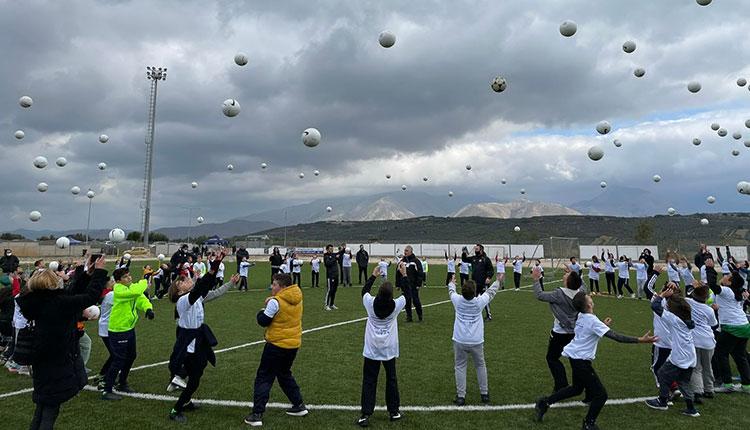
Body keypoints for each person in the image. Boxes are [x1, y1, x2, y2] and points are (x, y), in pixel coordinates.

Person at [535, 292, 657, 430]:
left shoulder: (582, 316)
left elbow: (589, 331)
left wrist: (602, 325)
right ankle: (588, 423)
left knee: (576, 389)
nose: (591, 298)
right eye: (589, 298)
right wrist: (641, 340)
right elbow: (616, 337)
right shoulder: (592, 321)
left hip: (575, 357)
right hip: (580, 361)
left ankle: (544, 402)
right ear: (589, 304)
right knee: (601, 395)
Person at [17, 256, 108, 430]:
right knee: (50, 410)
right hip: (57, 360)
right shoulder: (57, 303)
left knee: (43, 407)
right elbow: (89, 297)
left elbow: (73, 294)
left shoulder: (38, 301)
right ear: (51, 285)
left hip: (42, 360)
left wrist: (87, 274)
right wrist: (100, 272)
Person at [167, 253, 240, 423]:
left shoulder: (195, 296)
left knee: (198, 371)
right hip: (190, 342)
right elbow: (202, 286)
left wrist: (217, 266)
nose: (187, 280)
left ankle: (181, 387)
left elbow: (208, 288)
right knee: (195, 378)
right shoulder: (184, 300)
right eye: (183, 280)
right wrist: (214, 264)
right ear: (179, 289)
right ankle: (176, 407)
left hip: (198, 339)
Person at [244, 273, 308, 426]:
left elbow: (263, 321)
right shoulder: (297, 296)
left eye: (274, 285)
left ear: (282, 286)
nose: (272, 287)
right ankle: (298, 405)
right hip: (293, 344)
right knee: (284, 374)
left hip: (277, 345)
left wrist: (262, 309)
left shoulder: (276, 302)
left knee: (264, 377)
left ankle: (257, 414)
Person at [357, 266, 405, 427]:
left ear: (378, 293)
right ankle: (394, 411)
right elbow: (408, 294)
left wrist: (373, 276)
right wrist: (404, 275)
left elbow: (364, 291)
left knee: (369, 381)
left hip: (372, 349)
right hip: (389, 349)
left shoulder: (370, 303)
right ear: (392, 295)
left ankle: (365, 414)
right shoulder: (396, 305)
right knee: (391, 379)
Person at [101, 266, 155, 400]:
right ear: (119, 280)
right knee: (119, 359)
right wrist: (144, 280)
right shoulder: (118, 289)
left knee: (131, 356)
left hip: (129, 328)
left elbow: (141, 299)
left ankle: (122, 382)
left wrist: (148, 308)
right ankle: (107, 390)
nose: (129, 278)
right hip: (118, 330)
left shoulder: (131, 288)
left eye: (129, 275)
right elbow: (136, 292)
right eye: (125, 277)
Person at [645, 284, 699, 417]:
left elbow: (655, 307)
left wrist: (662, 295)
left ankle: (662, 401)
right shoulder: (687, 320)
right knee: (683, 382)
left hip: (679, 356)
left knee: (662, 374)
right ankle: (691, 409)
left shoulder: (675, 320)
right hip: (690, 356)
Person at [448, 274, 500, 406]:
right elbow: (491, 292)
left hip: (460, 339)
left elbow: (451, 291)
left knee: (460, 366)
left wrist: (452, 282)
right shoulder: (479, 302)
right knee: (480, 365)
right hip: (476, 341)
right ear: (475, 292)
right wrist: (498, 281)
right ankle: (484, 394)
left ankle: (461, 396)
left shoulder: (457, 300)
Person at [533, 266, 584, 394]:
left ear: (567, 282)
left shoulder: (559, 294)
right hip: (575, 332)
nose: (565, 275)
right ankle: (583, 386)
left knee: (552, 358)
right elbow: (582, 284)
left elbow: (539, 295)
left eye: (567, 276)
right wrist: (574, 274)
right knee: (576, 360)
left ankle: (561, 385)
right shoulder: (581, 293)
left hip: (560, 333)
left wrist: (536, 279)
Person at [705, 261, 750, 393]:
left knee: (720, 354)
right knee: (740, 355)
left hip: (732, 327)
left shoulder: (727, 291)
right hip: (744, 326)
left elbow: (712, 285)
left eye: (728, 275)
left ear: (730, 282)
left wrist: (709, 269)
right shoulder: (738, 291)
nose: (725, 275)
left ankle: (727, 383)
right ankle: (747, 385)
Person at [686, 283, 718, 403]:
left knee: (696, 367)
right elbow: (714, 325)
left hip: (694, 340)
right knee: (707, 366)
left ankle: (697, 391)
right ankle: (709, 389)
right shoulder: (709, 310)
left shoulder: (688, 302)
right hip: (708, 341)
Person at [461, 244, 494, 318]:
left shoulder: (486, 259)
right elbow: (464, 259)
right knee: (473, 299)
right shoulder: (473, 258)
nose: (475, 250)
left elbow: (491, 270)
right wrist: (464, 252)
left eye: (477, 249)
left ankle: (489, 315)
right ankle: (473, 314)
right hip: (474, 283)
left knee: (485, 299)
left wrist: (488, 277)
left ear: (481, 250)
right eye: (475, 249)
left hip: (483, 283)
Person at [400, 246, 424, 323]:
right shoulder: (402, 261)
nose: (405, 252)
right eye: (404, 251)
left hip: (413, 285)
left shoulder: (416, 261)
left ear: (411, 251)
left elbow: (420, 273)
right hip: (405, 286)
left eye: (406, 251)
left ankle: (420, 316)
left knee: (416, 301)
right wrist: (398, 284)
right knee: (407, 301)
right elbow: (398, 273)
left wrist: (418, 284)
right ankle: (409, 317)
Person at [324, 244, 339, 310]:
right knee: (330, 290)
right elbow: (328, 264)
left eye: (332, 249)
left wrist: (343, 249)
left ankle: (332, 304)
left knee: (334, 290)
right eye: (330, 249)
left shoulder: (333, 255)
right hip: (330, 276)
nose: (332, 250)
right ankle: (326, 305)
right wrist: (335, 258)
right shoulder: (326, 256)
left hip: (336, 275)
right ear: (327, 249)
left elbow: (339, 254)